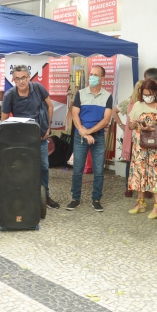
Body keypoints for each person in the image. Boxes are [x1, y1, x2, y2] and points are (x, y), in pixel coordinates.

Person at [1, 65, 59, 209]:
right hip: (20, 139)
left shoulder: (38, 89)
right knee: (22, 166)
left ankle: (44, 196)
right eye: (18, 78)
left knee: (44, 167)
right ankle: (23, 195)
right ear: (14, 79)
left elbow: (50, 106)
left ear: (29, 77)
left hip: (40, 136)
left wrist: (49, 127)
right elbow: (4, 120)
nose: (21, 81)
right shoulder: (10, 95)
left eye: (24, 78)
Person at [66, 65, 113, 212]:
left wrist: (89, 133)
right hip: (81, 137)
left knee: (99, 171)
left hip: (97, 138)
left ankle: (96, 199)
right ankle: (75, 198)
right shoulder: (80, 94)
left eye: (95, 75)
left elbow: (106, 120)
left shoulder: (107, 97)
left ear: (102, 79)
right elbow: (75, 115)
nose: (92, 77)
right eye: (91, 74)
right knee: (78, 170)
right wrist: (83, 132)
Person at [127, 79, 157, 218]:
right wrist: (137, 124)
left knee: (155, 173)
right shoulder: (138, 105)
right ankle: (141, 202)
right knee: (140, 171)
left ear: (155, 92)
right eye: (144, 94)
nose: (147, 97)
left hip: (155, 145)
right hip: (140, 146)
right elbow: (131, 126)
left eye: (149, 94)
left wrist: (152, 127)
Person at [112, 80, 143, 198]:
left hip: (143, 138)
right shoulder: (129, 102)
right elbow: (114, 111)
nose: (140, 91)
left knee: (142, 164)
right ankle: (128, 186)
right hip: (131, 138)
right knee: (130, 163)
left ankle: (144, 188)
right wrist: (121, 125)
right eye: (139, 88)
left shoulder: (148, 102)